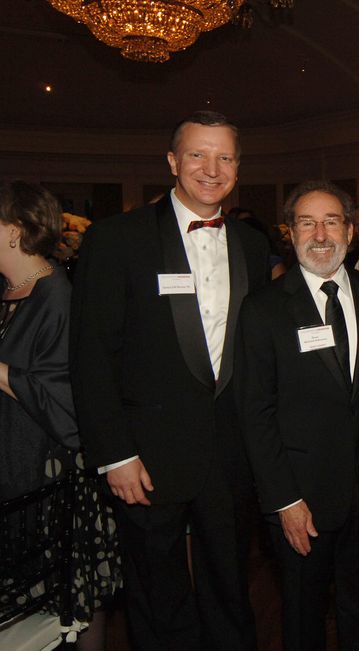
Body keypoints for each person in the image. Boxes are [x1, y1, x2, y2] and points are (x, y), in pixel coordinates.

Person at [70, 111, 270, 650]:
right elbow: (91, 357)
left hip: (230, 457)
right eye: (198, 155)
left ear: (237, 168)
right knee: (157, 596)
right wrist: (114, 454)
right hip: (146, 458)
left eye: (225, 157)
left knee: (231, 587)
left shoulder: (252, 245)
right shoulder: (117, 240)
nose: (212, 168)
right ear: (172, 162)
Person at [235, 181, 359, 651]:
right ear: (290, 233)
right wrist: (283, 500)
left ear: (349, 230)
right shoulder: (262, 309)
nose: (320, 234)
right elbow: (255, 413)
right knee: (303, 618)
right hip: (301, 500)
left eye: (331, 221)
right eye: (307, 222)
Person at [0, 180, 122, 650]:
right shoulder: (10, 290)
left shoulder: (58, 297)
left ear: (15, 230)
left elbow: (70, 404)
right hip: (15, 470)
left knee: (73, 600)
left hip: (53, 478)